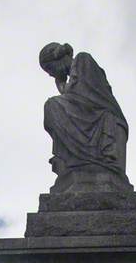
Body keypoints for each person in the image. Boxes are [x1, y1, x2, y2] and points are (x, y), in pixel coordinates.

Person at [39, 42, 128, 178]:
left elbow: (84, 95)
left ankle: (85, 157)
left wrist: (62, 86)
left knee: (52, 105)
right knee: (52, 106)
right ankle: (75, 159)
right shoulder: (72, 79)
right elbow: (75, 99)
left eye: (50, 70)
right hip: (89, 116)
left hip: (100, 117)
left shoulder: (83, 60)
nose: (51, 75)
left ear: (57, 62)